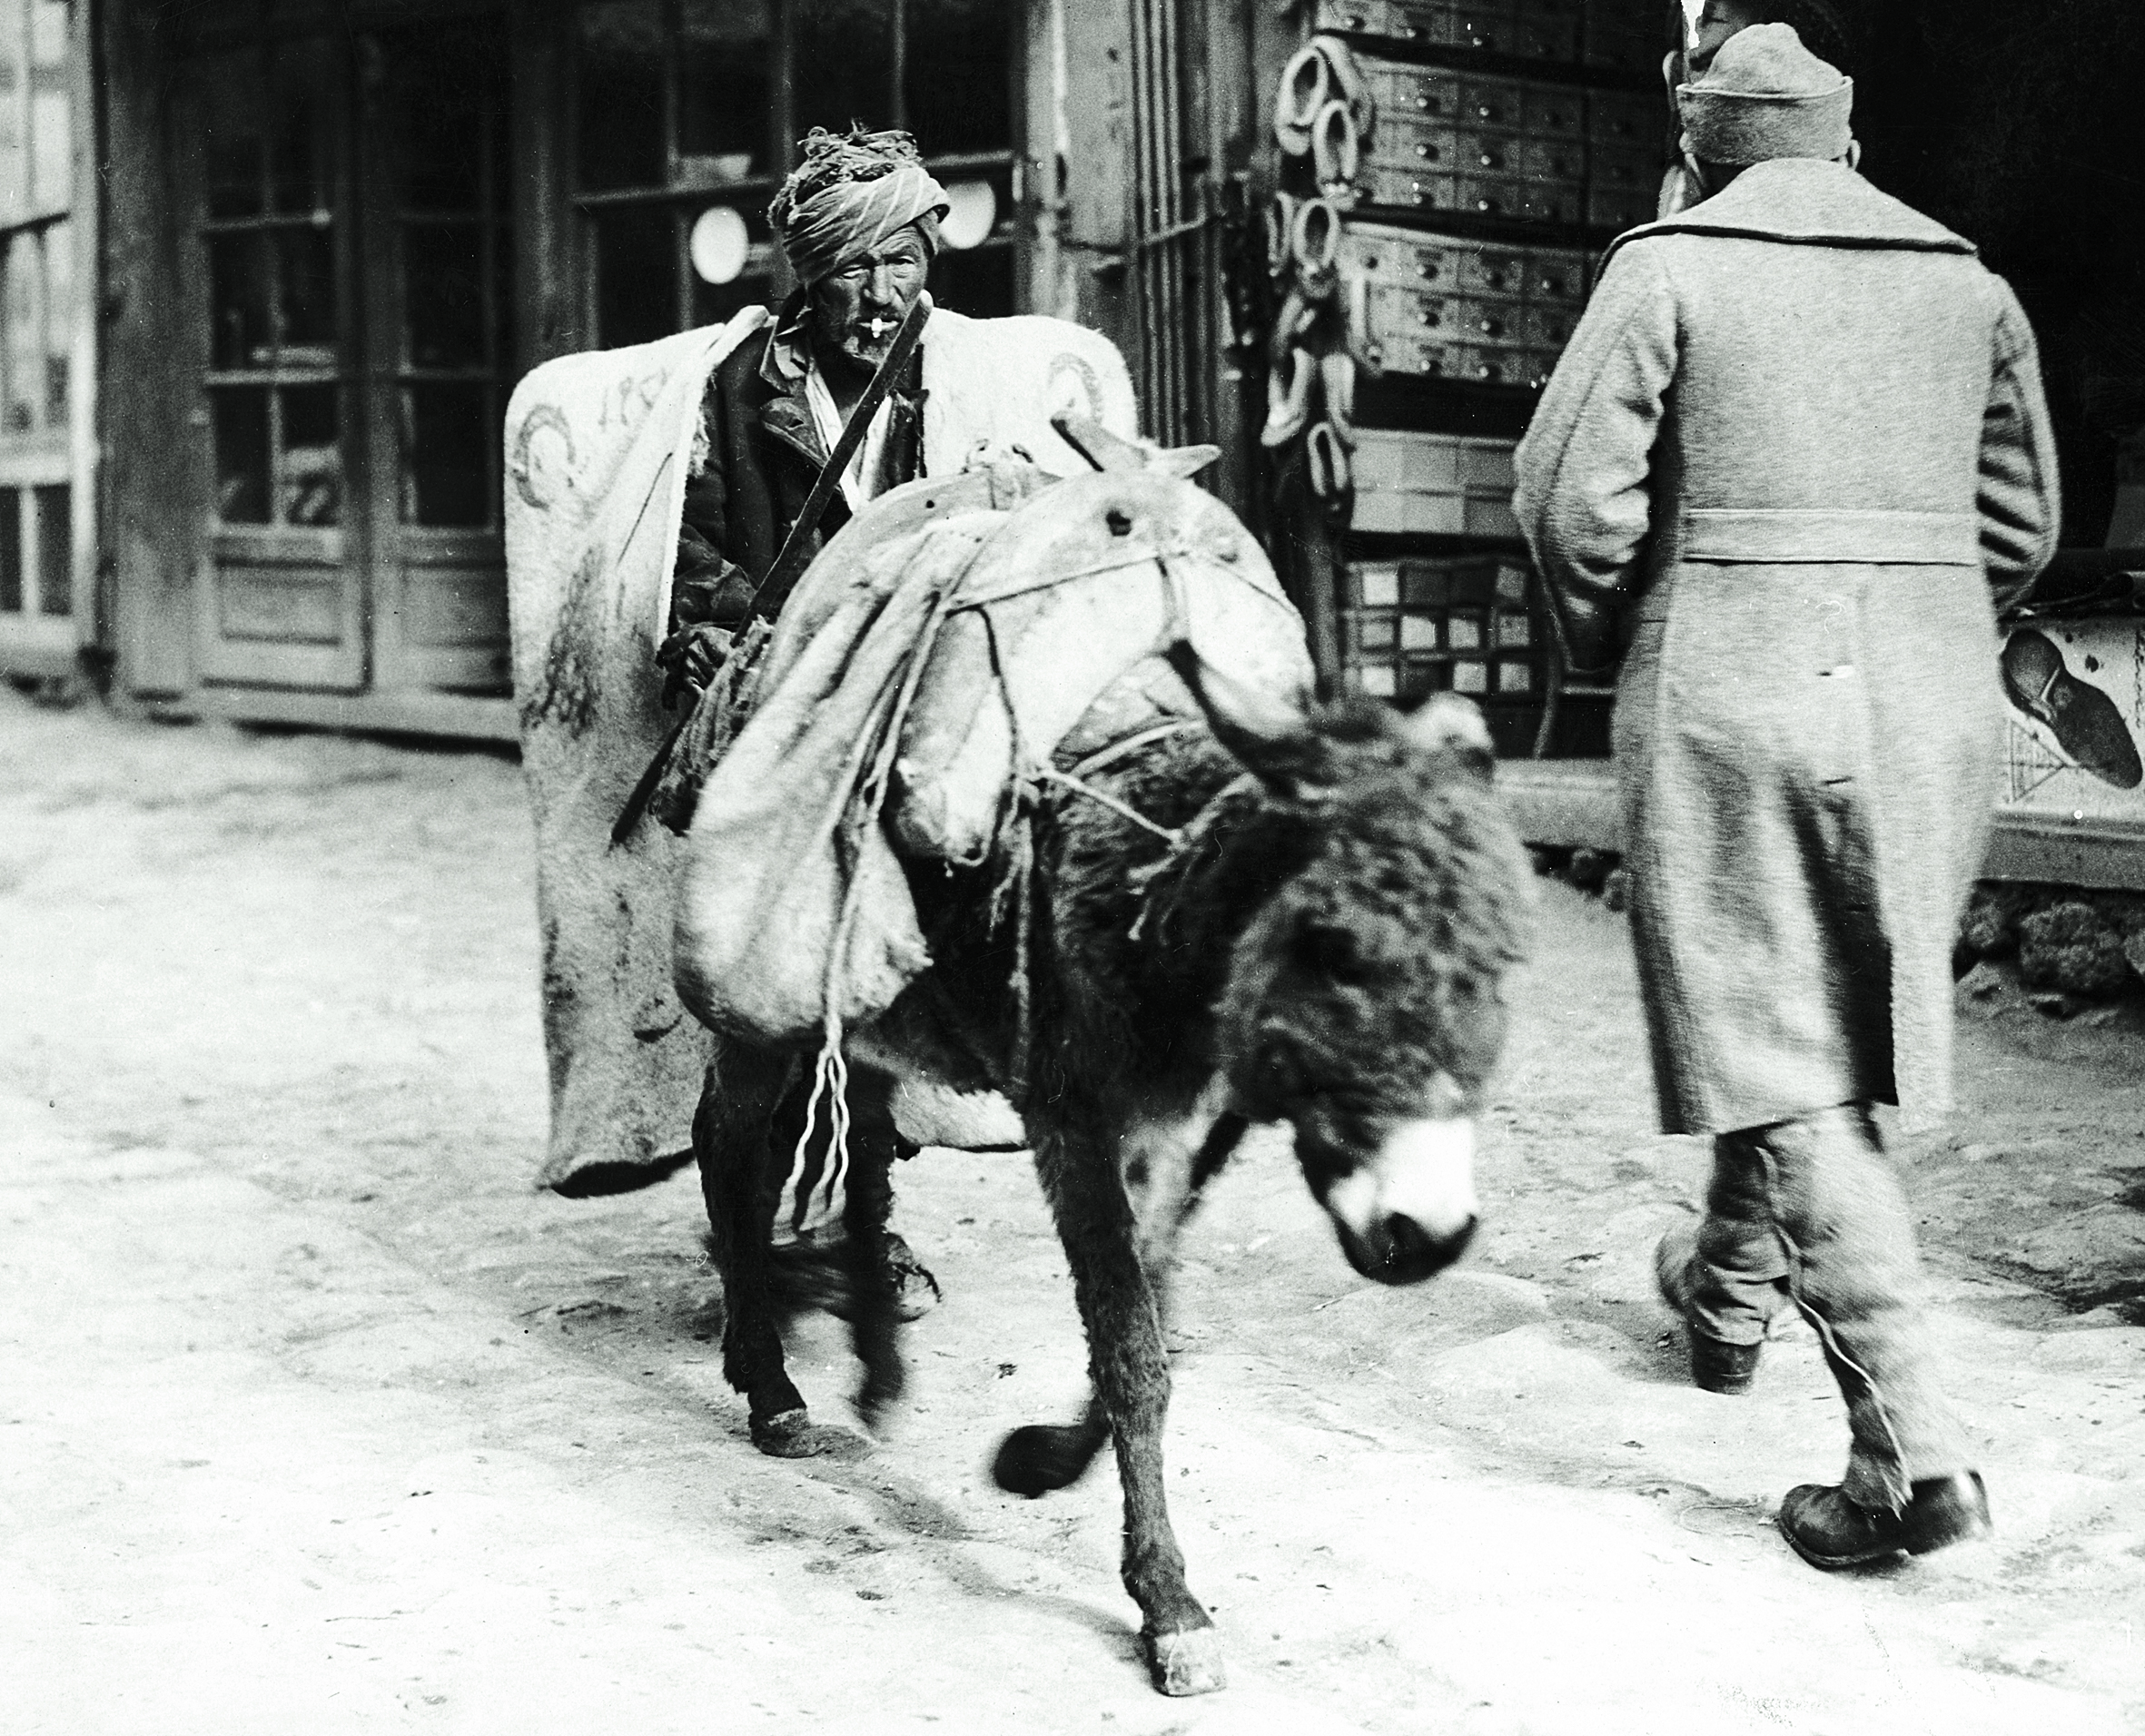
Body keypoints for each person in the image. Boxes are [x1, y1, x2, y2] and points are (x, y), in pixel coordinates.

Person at [1515, 25, 2059, 1568]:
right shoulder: (1965, 281)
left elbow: (1567, 507)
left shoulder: (1664, 267)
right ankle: (1725, 1306)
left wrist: (1642, 639)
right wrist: (1919, 610)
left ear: (1700, 152)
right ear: (1843, 143)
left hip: (1729, 683)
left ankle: (1914, 1455)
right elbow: (2018, 521)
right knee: (1812, 1025)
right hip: (1929, 698)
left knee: (1775, 1047)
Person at [661, 126, 953, 1322]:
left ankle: (853, 1215)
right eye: (852, 268)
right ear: (804, 274)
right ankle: (760, 1227)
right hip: (785, 715)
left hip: (914, 711)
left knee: (893, 981)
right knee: (775, 990)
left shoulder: (957, 377)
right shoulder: (743, 389)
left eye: (903, 261)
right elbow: (690, 560)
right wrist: (734, 624)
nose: (880, 294)